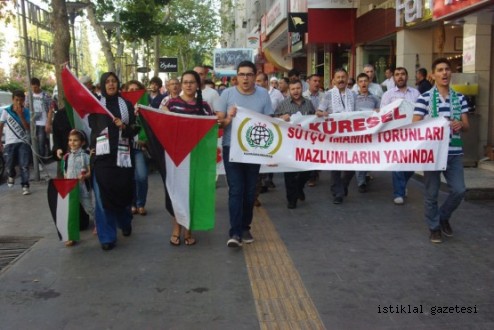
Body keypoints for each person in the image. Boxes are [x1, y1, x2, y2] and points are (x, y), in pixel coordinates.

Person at [217, 61, 273, 247]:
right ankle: (234, 232)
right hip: (231, 149)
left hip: (253, 150)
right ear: (237, 77)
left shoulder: (263, 95)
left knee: (250, 192)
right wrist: (228, 117)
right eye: (242, 74)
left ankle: (245, 226)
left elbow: (269, 123)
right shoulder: (227, 94)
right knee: (236, 190)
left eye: (249, 74)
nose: (245, 78)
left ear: (255, 76)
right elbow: (219, 124)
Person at [413, 58, 469, 244]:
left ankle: (443, 216)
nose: (444, 73)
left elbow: (467, 126)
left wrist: (460, 124)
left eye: (447, 69)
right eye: (440, 70)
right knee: (432, 193)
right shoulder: (425, 98)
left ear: (450, 73)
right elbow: (415, 124)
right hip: (433, 153)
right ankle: (434, 228)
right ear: (433, 74)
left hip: (454, 152)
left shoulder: (459, 98)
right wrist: (434, 125)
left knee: (459, 190)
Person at [161, 70, 215, 246]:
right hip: (178, 156)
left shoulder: (205, 106)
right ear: (181, 84)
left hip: (198, 157)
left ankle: (189, 229)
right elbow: (163, 124)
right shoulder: (172, 104)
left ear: (198, 85)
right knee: (178, 193)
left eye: (192, 82)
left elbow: (211, 128)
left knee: (192, 192)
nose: (188, 85)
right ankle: (176, 229)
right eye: (185, 82)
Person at [89, 72, 139, 251]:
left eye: (114, 81)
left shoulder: (126, 104)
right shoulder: (95, 105)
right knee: (103, 198)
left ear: (118, 84)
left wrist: (123, 127)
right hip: (102, 159)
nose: (111, 84)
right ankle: (107, 237)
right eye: (107, 82)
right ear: (102, 85)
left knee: (123, 194)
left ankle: (125, 222)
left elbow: (134, 129)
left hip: (123, 157)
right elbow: (91, 128)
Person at [381, 67, 421, 205]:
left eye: (402, 74)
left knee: (412, 164)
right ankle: (398, 193)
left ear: (407, 76)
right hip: (395, 135)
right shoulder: (388, 95)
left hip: (412, 134)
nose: (400, 77)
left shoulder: (415, 93)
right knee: (398, 164)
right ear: (393, 78)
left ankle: (402, 184)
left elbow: (421, 111)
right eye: (397, 75)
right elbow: (383, 114)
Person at [318, 68, 357, 204]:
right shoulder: (328, 95)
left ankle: (343, 185)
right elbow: (319, 111)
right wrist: (322, 113)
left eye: (343, 77)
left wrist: (374, 112)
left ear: (347, 79)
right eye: (338, 77)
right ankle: (337, 193)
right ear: (334, 80)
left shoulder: (353, 94)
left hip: (350, 136)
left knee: (352, 166)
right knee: (335, 166)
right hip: (333, 137)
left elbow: (358, 113)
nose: (341, 79)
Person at [275, 79, 315, 209]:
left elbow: (315, 121)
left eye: (298, 88)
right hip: (289, 144)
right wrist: (281, 118)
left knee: (307, 171)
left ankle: (299, 188)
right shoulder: (283, 105)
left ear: (301, 89)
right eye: (293, 89)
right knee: (290, 173)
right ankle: (291, 199)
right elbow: (274, 122)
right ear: (289, 90)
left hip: (305, 144)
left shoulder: (308, 104)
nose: (296, 91)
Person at [63, 129, 95, 246]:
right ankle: (71, 236)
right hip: (71, 188)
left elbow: (90, 171)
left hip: (82, 188)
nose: (72, 143)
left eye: (75, 140)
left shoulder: (86, 156)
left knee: (89, 208)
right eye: (70, 140)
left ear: (82, 142)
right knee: (71, 212)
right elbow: (65, 172)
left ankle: (100, 224)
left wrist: (85, 176)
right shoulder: (67, 157)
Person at [125, 80, 150, 216]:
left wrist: (144, 139)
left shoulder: (145, 105)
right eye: (130, 89)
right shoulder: (122, 105)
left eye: (136, 89)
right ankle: (132, 203)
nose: (133, 91)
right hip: (124, 147)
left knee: (141, 176)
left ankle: (141, 203)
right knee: (129, 177)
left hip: (139, 147)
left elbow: (148, 125)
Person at [0, 90, 31, 195]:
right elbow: (1, 126)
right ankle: (11, 174)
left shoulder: (26, 111)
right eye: (16, 100)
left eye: (21, 100)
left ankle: (25, 185)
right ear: (13, 99)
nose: (18, 102)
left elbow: (27, 127)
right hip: (9, 142)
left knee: (24, 164)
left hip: (23, 141)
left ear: (23, 101)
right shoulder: (6, 111)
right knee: (9, 163)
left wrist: (20, 115)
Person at [354, 73, 380, 193]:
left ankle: (364, 175)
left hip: (371, 132)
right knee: (359, 156)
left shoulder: (375, 98)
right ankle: (361, 182)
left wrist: (378, 111)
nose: (363, 83)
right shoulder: (353, 98)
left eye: (365, 81)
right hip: (357, 132)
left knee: (367, 155)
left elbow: (381, 112)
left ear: (369, 82)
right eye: (361, 81)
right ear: (358, 83)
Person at [303, 74, 325, 187]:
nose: (317, 83)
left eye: (319, 81)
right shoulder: (303, 96)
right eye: (314, 81)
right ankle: (310, 175)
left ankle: (314, 174)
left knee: (318, 152)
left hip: (321, 130)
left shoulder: (325, 96)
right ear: (308, 82)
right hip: (307, 129)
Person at [25, 77, 52, 161]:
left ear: (39, 86)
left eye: (35, 87)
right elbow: (26, 107)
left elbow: (50, 110)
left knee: (41, 143)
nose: (34, 89)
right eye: (32, 87)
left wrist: (48, 123)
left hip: (42, 122)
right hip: (32, 122)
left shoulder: (46, 95)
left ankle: (41, 161)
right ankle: (32, 160)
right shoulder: (29, 95)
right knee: (30, 141)